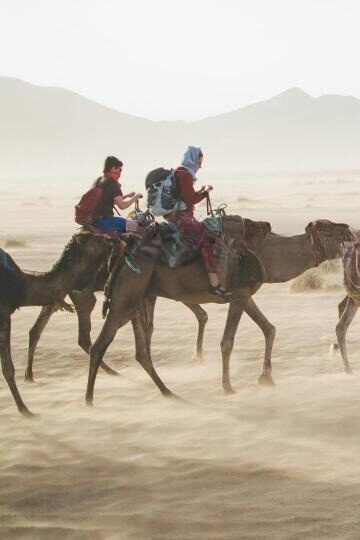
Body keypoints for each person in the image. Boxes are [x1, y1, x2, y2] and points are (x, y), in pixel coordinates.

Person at [165, 146, 231, 299]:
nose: (200, 166)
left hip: (176, 215)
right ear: (193, 160)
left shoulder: (179, 172)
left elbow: (185, 196)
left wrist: (200, 192)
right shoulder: (185, 175)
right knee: (206, 240)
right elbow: (190, 200)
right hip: (181, 217)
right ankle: (215, 285)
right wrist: (205, 193)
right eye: (199, 163)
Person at [93, 156, 142, 233]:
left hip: (95, 221)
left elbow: (109, 201)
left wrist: (126, 196)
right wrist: (136, 197)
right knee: (139, 226)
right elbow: (122, 206)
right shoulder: (113, 184)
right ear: (113, 168)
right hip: (107, 222)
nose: (120, 172)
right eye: (119, 169)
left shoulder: (100, 181)